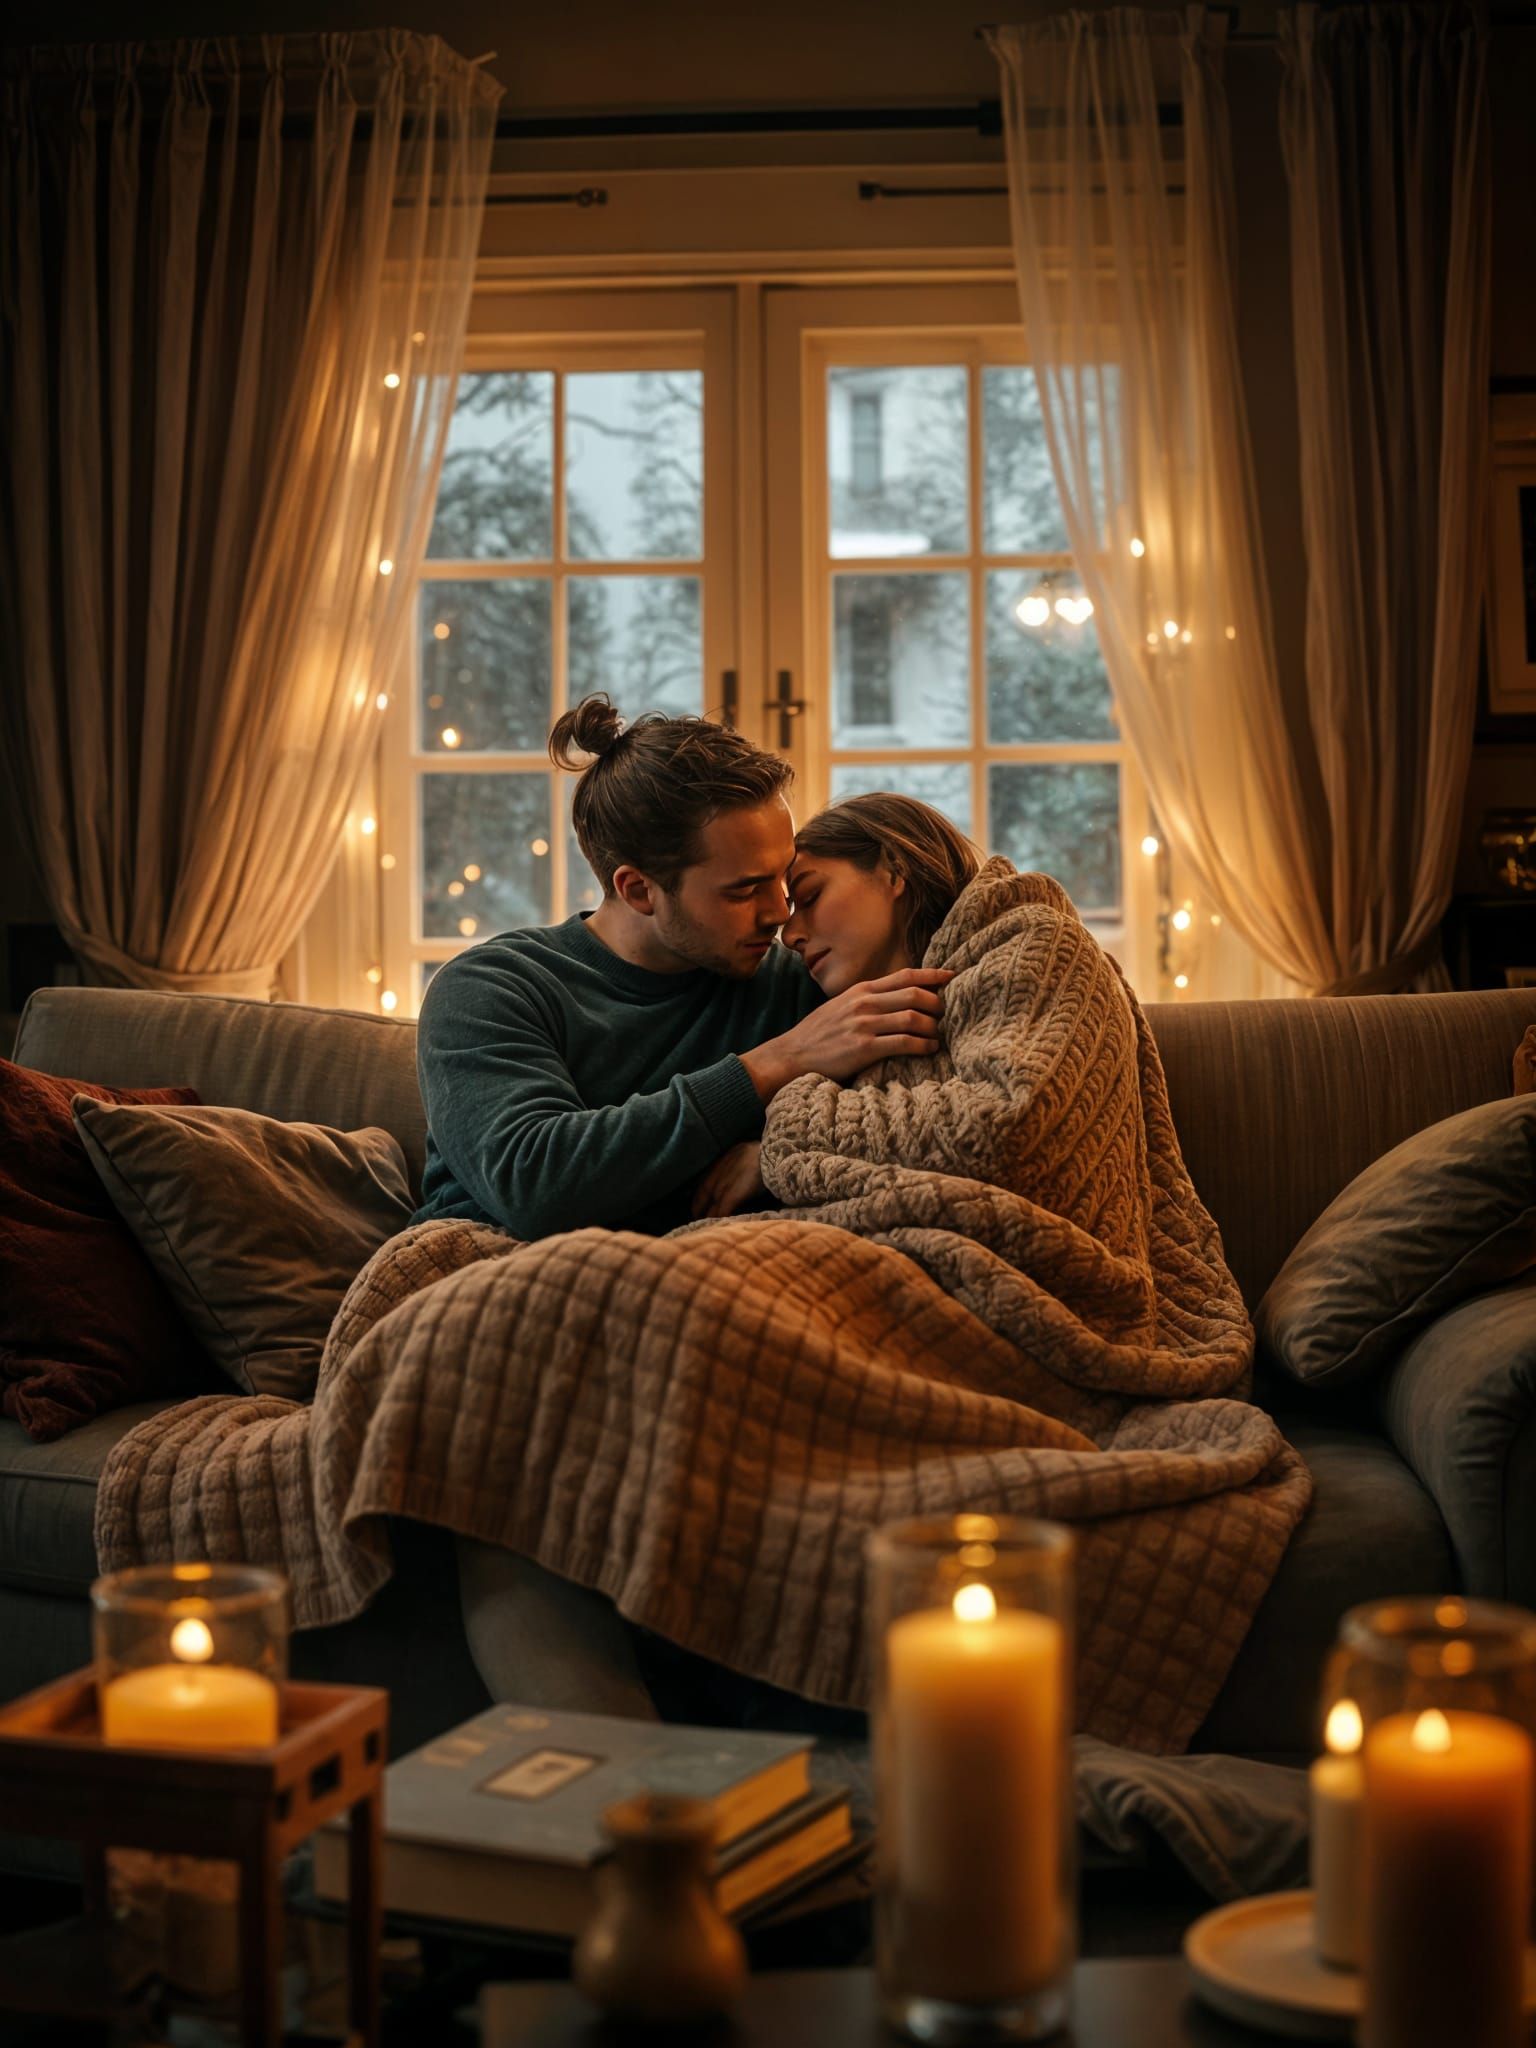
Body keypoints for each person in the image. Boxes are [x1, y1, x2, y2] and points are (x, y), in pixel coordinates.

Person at [412, 698, 954, 1242]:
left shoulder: (800, 980)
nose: (779, 914)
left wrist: (776, 1153)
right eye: (744, 890)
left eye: (783, 879)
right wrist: (778, 1060)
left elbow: (930, 1110)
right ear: (638, 889)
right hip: (490, 1270)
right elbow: (537, 1185)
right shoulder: (491, 989)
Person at [692, 790, 982, 1219]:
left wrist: (774, 1153)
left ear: (893, 871)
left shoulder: (1033, 945)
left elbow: (1002, 1124)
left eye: (808, 897)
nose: (788, 935)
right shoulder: (833, 1023)